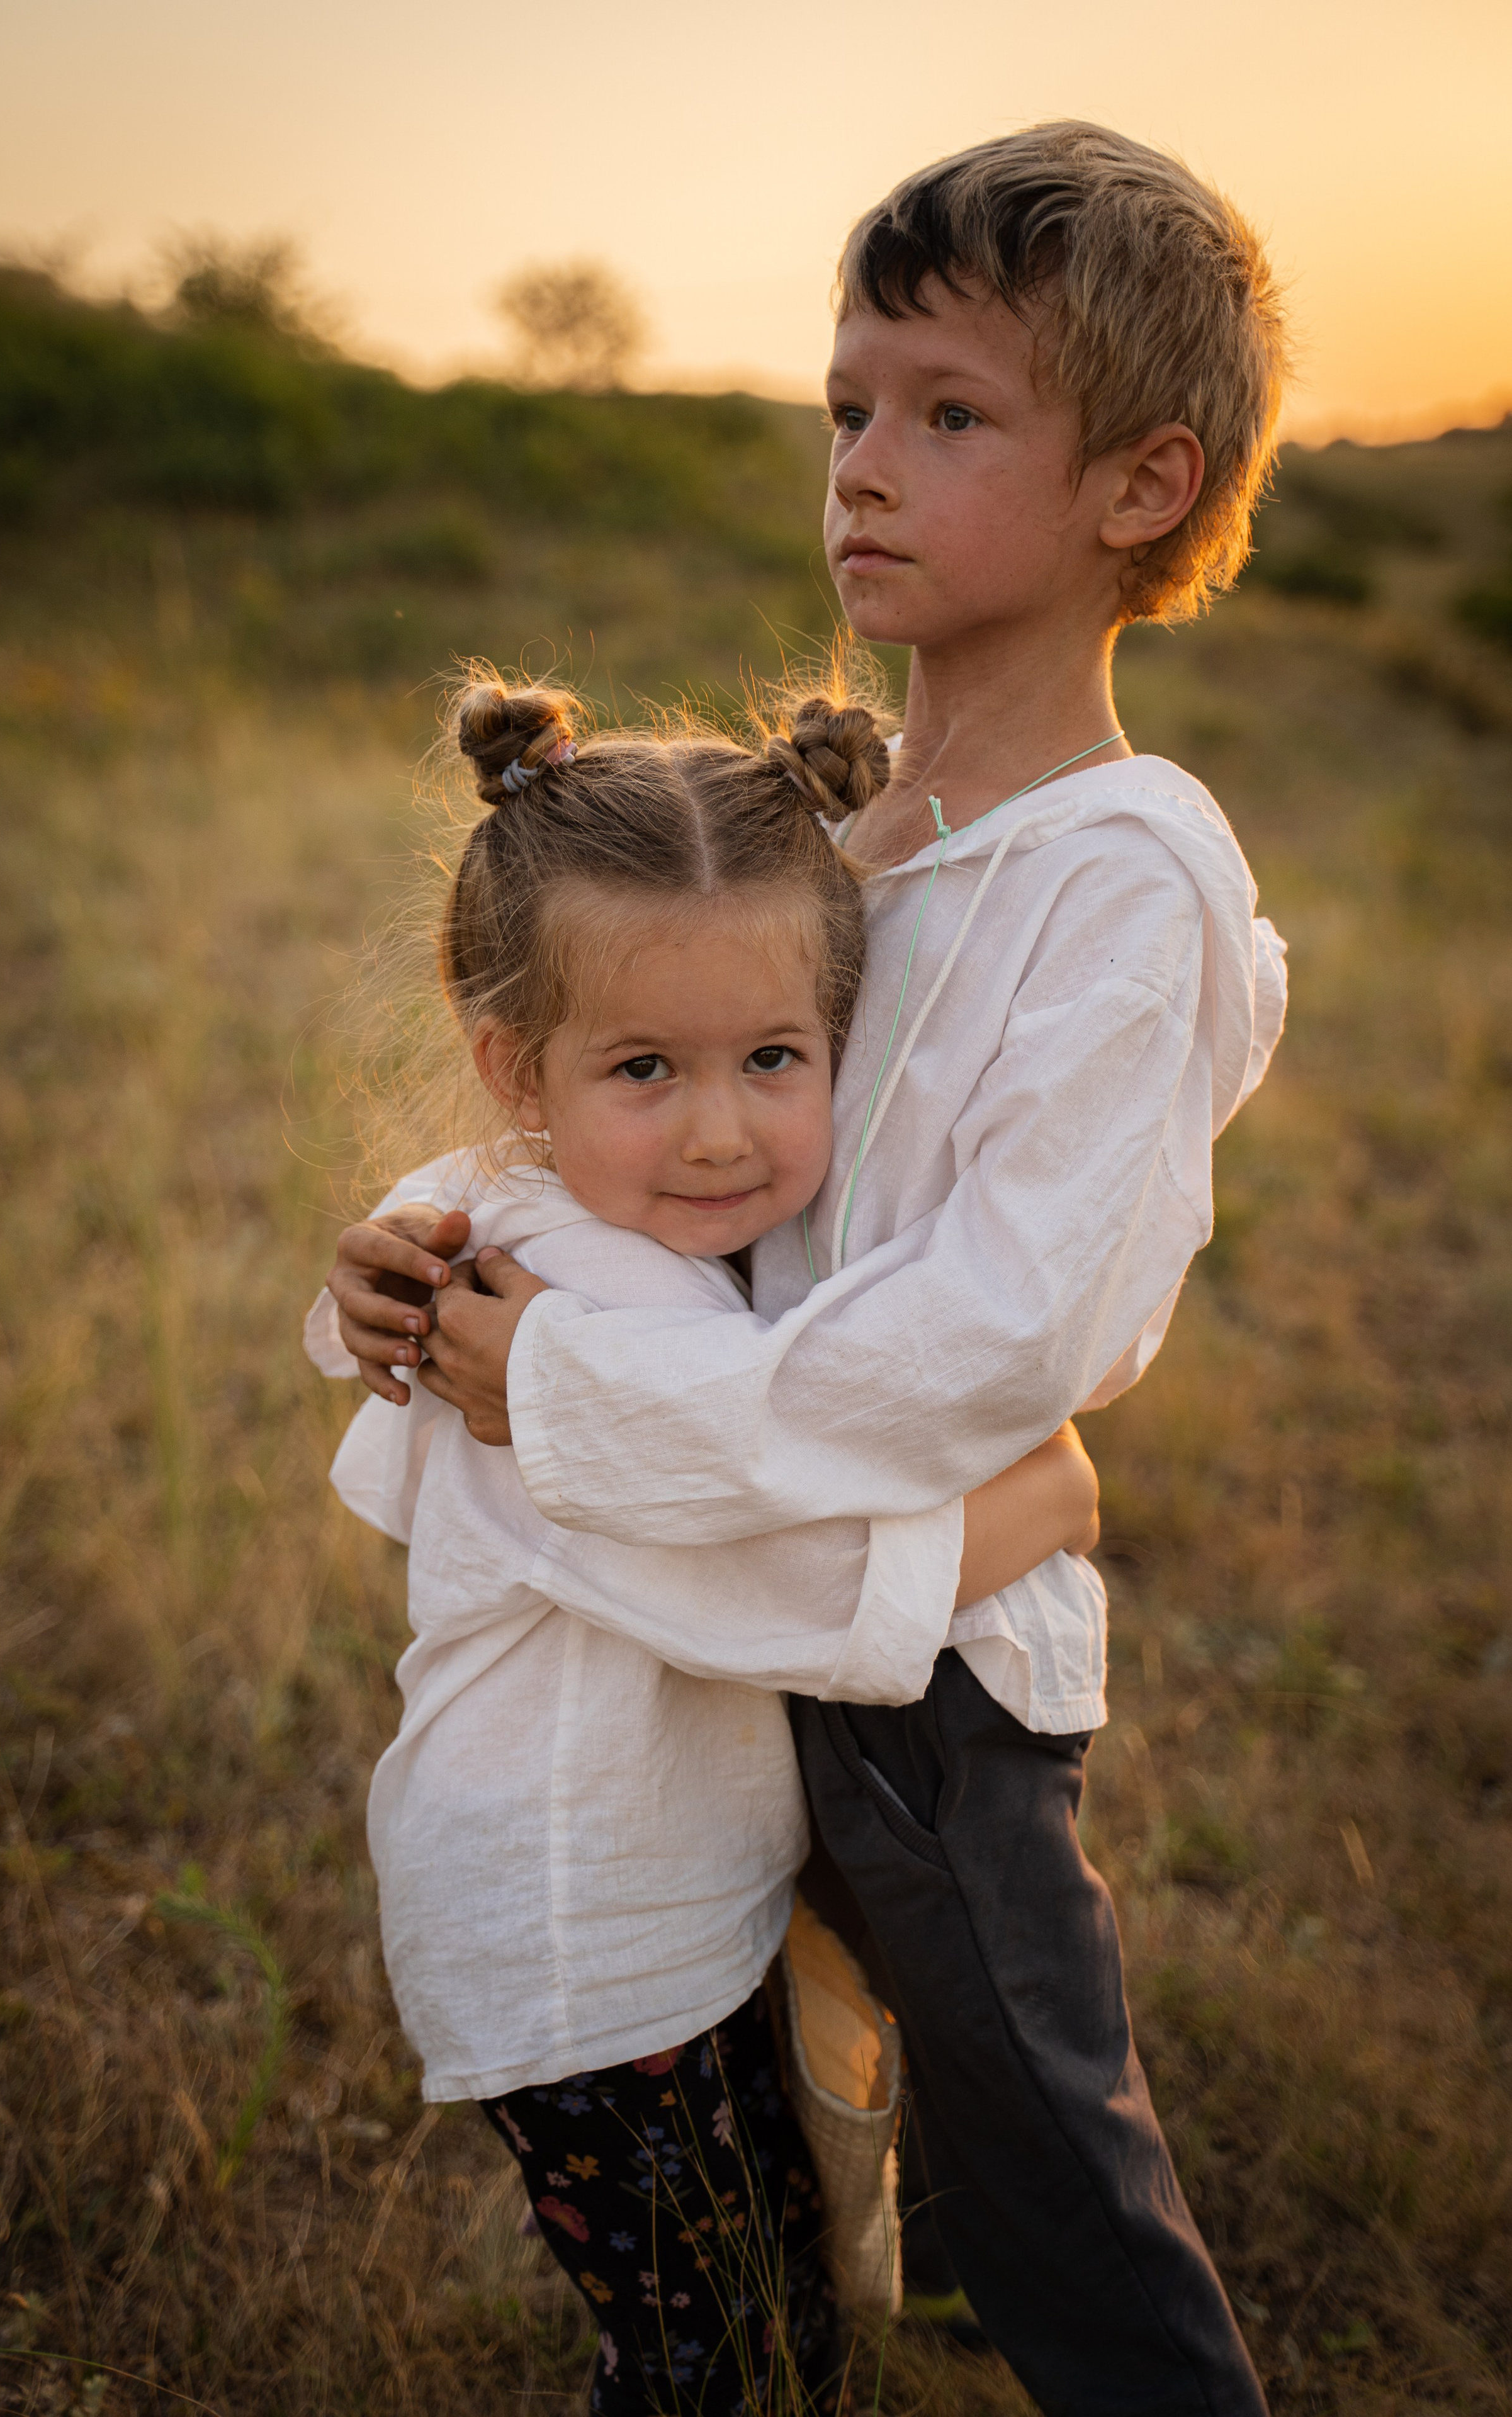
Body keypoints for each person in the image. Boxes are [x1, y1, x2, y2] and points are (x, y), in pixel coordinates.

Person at [324, 123, 1290, 2414]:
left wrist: (550, 1392)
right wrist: (421, 1264)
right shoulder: (848, 836)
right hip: (743, 1592)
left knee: (1060, 2167)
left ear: (1142, 488)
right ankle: (898, 2270)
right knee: (833, 2074)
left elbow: (995, 1337)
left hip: (932, 1639)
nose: (860, 464)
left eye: (950, 415)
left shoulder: (1124, 878)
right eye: (845, 404)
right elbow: (621, 1126)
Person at [307, 673, 1104, 2415]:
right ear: (517, 1066)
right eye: (646, 1069)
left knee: (750, 2292)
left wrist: (357, 1274)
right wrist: (1044, 1503)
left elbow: (438, 1246)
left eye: (773, 1061)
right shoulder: (570, 1335)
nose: (724, 1131)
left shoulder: (564, 1227)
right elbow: (768, 1591)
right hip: (585, 1942)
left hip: (654, 1910)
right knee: (720, 2352)